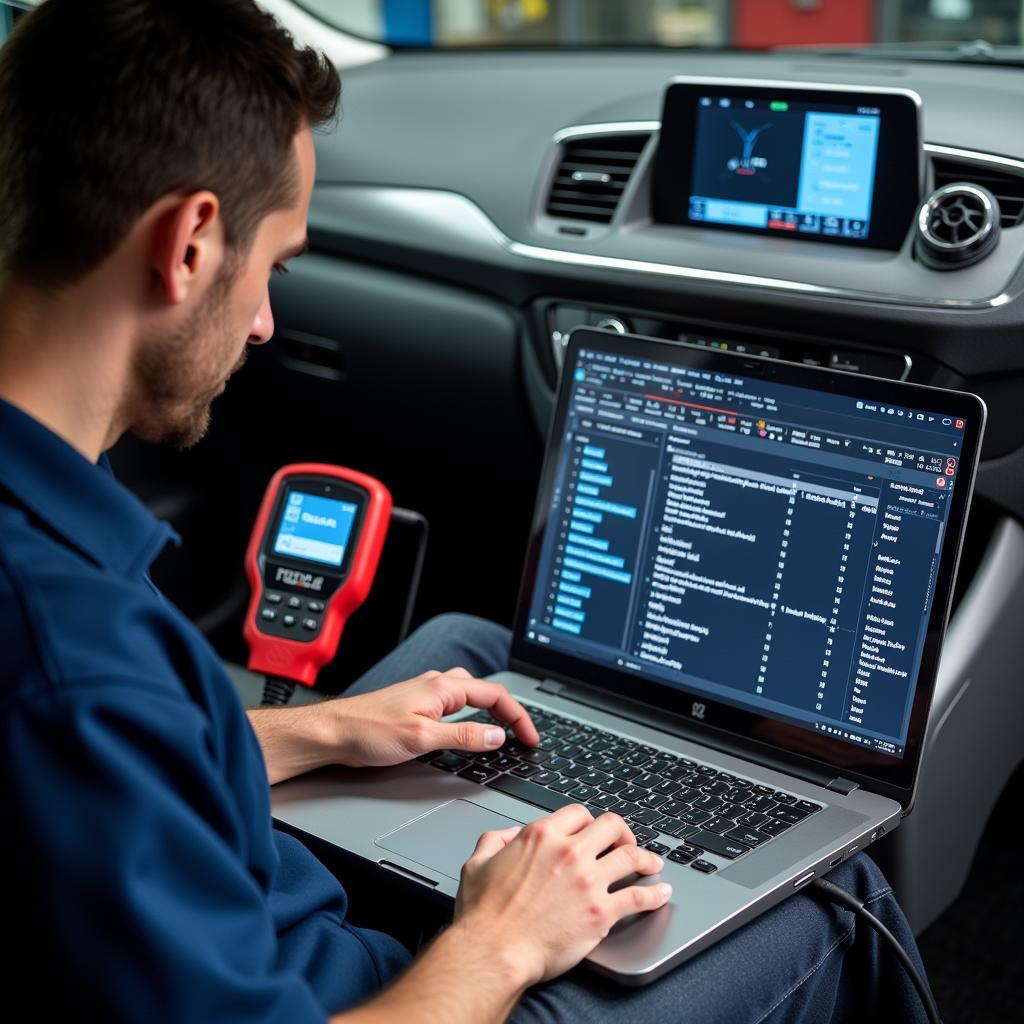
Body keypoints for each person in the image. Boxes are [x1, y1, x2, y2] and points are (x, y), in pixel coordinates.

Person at [0, 2, 934, 1021]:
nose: (265, 322)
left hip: (244, 911)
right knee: (829, 893)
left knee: (471, 645)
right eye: (274, 264)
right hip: (346, 987)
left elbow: (129, 764)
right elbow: (100, 729)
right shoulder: (74, 660)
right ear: (187, 245)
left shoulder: (57, 586)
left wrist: (318, 730)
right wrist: (496, 939)